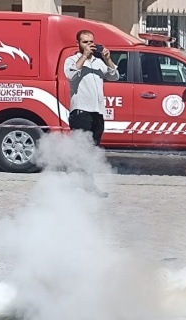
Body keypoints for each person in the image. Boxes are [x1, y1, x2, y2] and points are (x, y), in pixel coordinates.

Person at [64, 29, 119, 197]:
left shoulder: (98, 62)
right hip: (81, 111)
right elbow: (70, 74)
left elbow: (115, 76)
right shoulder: (72, 60)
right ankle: (72, 186)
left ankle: (87, 186)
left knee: (91, 151)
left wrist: (108, 59)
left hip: (97, 112)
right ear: (78, 44)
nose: (89, 45)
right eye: (85, 42)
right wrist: (83, 57)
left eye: (91, 42)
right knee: (81, 150)